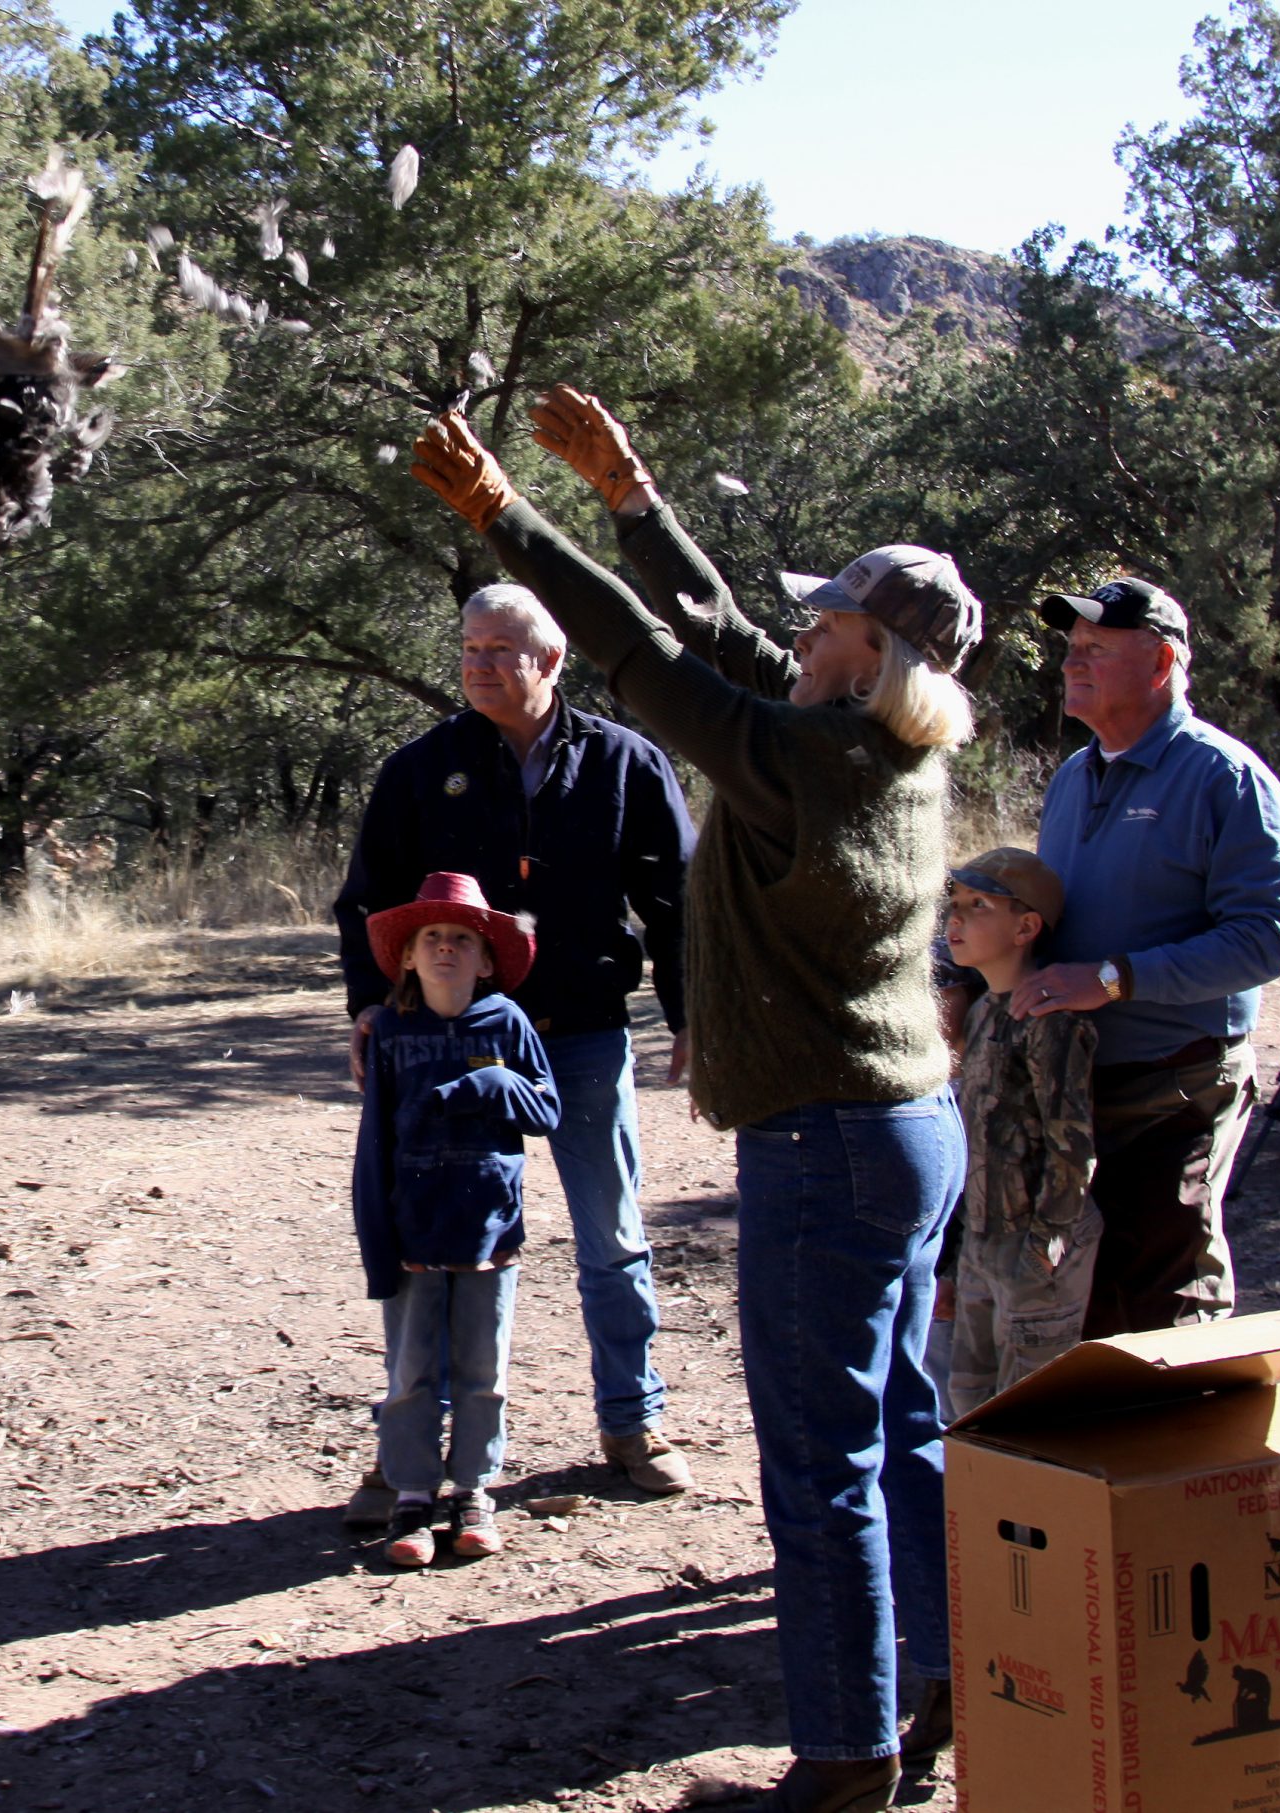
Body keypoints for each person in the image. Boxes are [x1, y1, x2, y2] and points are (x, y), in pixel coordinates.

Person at [412, 388, 976, 1813]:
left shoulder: (800, 757)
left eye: (826, 624)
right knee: (900, 1426)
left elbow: (643, 654)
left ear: (870, 652)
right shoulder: (880, 742)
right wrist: (635, 496)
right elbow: (719, 635)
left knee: (819, 1465)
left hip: (826, 1144)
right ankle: (937, 1686)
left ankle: (846, 1760)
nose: (801, 635)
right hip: (906, 1131)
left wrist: (505, 519)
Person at [333, 581, 698, 1512]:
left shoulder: (625, 763)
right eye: (468, 648)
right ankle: (411, 1453)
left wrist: (696, 1015)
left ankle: (632, 1418)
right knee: (428, 1241)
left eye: (500, 649)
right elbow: (368, 896)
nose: (478, 664)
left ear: (551, 659)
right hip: (439, 1045)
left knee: (610, 1235)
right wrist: (374, 1006)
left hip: (578, 1032)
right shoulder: (423, 767)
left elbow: (679, 903)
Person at [1017, 579, 1280, 1337]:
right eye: (1071, 649)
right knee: (1088, 1297)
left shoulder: (1225, 779)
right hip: (1081, 1085)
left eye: (1096, 649)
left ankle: (1195, 1449)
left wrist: (1114, 979)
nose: (1072, 662)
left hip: (1177, 1086)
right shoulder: (1075, 776)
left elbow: (1265, 940)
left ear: (1161, 663)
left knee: (1166, 1295)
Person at [350, 871, 560, 1568]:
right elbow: (373, 1141)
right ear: (406, 955)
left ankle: (473, 1490)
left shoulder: (508, 1024)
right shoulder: (389, 1031)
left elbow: (546, 1109)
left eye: (462, 939)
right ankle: (411, 1495)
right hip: (412, 1232)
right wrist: (377, 1241)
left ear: (488, 957)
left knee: (481, 1369)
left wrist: (494, 1082)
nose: (445, 949)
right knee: (411, 1371)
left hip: (489, 1230)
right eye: (431, 937)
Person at [940, 847, 1100, 1417]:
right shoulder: (983, 1013)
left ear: (1026, 927)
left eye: (978, 905)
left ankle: (1033, 1511)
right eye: (954, 905)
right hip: (984, 1241)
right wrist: (959, 1258)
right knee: (968, 1403)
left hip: (1036, 1245)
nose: (956, 919)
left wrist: (1046, 1243)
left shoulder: (1051, 1019)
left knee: (1030, 1412)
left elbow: (1072, 1142)